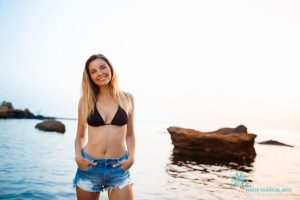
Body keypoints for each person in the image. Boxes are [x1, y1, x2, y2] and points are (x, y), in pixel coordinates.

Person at [72, 54, 135, 200]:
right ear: (89, 76)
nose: (99, 73)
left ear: (110, 68)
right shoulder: (85, 101)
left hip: (119, 167)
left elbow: (130, 134)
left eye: (102, 67)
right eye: (93, 71)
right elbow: (80, 136)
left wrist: (131, 157)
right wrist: (78, 157)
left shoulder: (127, 98)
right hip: (90, 167)